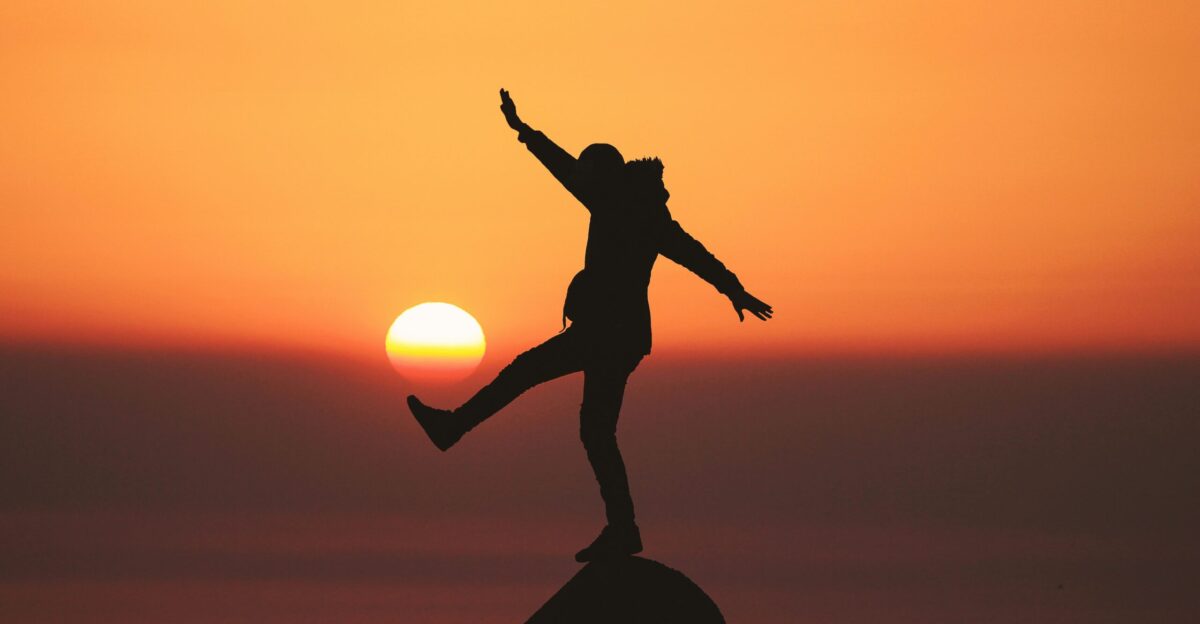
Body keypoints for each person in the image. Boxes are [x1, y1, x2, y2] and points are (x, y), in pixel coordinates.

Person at [407, 88, 773, 562]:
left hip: (606, 333)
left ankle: (453, 428)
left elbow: (565, 171)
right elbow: (694, 253)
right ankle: (623, 528)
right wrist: (734, 289)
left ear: (601, 174)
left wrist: (525, 132)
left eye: (588, 173)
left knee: (527, 375)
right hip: (621, 337)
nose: (583, 180)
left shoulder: (615, 201)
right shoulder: (644, 210)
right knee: (595, 431)